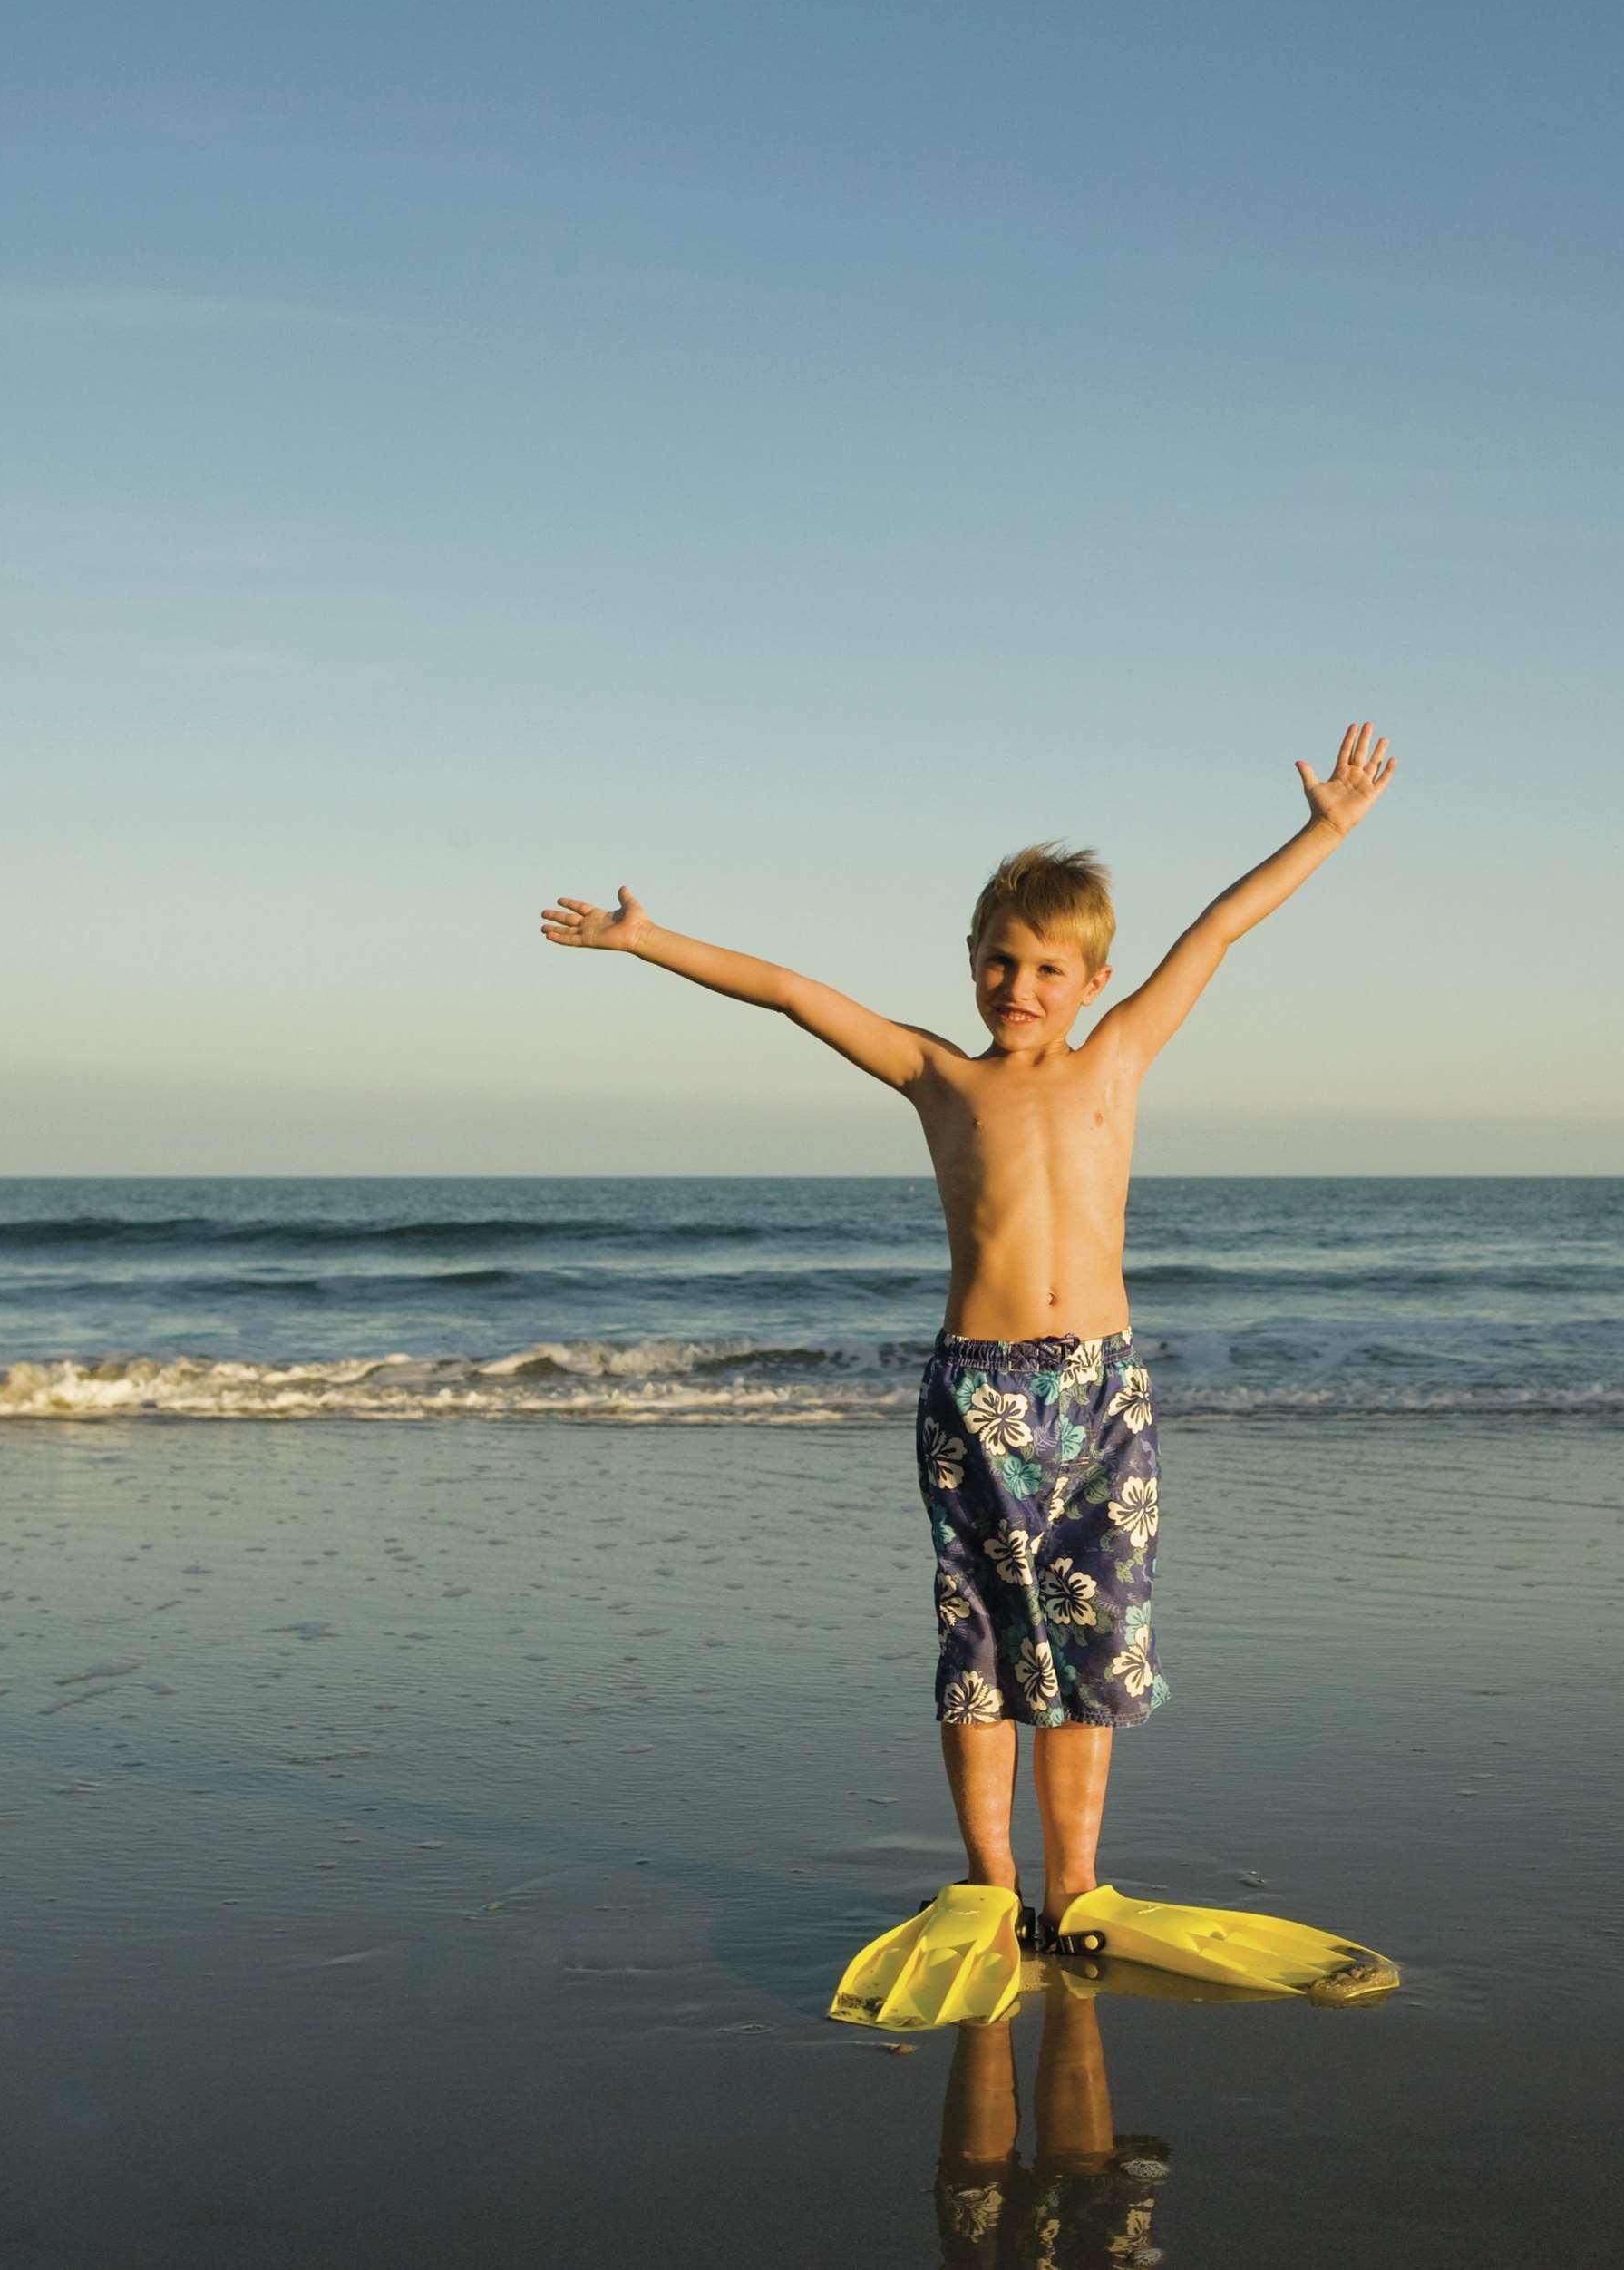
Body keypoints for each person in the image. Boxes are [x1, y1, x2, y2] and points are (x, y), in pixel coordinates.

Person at [538, 724, 1399, 1970]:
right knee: (986, 1648)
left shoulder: (1120, 1055)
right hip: (977, 1393)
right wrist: (646, 938)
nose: (1020, 984)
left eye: (1050, 966)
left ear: (1092, 979)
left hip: (1104, 1391)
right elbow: (795, 991)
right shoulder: (940, 1076)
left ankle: (1083, 1888)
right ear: (970, 963)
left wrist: (1326, 828)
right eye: (1000, 960)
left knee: (1094, 1648)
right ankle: (993, 1886)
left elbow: (1216, 929)